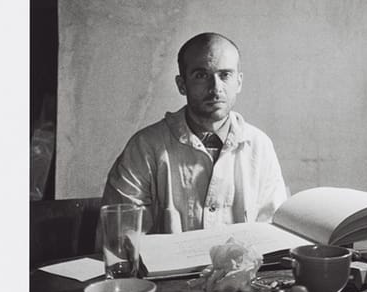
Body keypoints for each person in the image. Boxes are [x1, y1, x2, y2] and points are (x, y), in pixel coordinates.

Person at [101, 32, 287, 235]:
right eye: (201, 75)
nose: (216, 88)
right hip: (166, 267)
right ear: (182, 85)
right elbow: (121, 237)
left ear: (239, 82)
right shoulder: (145, 147)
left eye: (225, 75)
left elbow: (273, 229)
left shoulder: (260, 145)